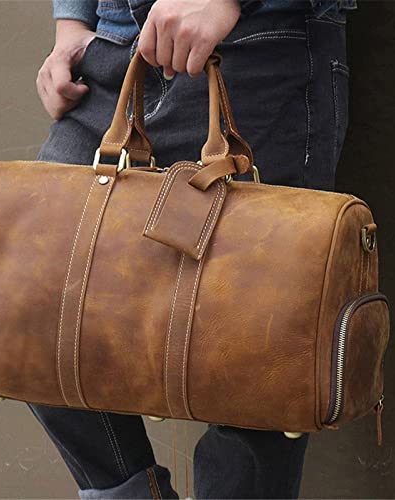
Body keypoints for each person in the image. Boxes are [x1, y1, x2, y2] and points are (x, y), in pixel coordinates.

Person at [30, 1, 356, 498]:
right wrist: (71, 25)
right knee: (34, 308)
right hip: (112, 47)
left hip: (256, 40)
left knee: (256, 349)